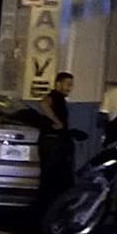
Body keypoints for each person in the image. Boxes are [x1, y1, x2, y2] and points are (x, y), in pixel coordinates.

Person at [37, 71, 76, 206]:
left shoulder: (60, 99)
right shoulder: (54, 96)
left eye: (71, 85)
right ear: (58, 84)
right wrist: (56, 121)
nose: (69, 88)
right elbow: (43, 104)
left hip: (55, 141)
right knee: (51, 175)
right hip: (52, 142)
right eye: (67, 84)